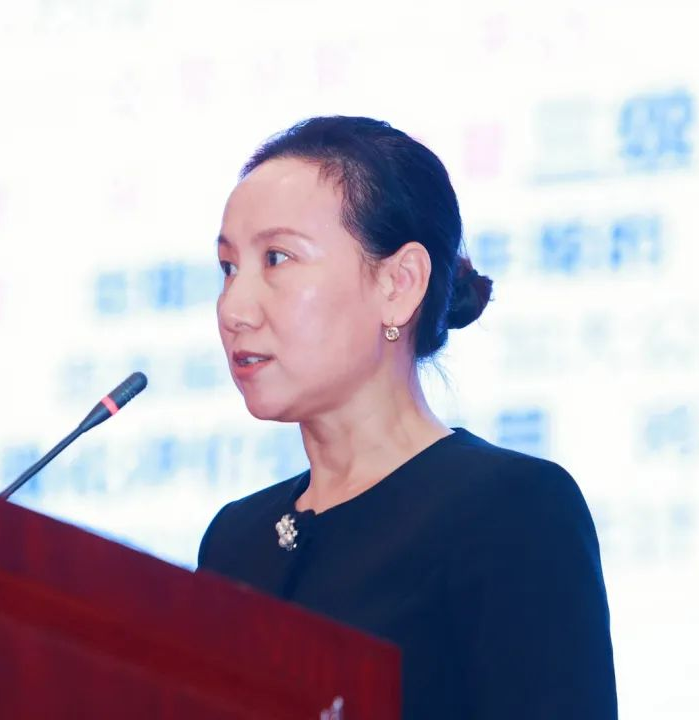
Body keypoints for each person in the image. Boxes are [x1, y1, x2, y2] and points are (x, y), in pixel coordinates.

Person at [198, 116, 617, 719]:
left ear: (399, 284)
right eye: (229, 267)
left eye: (278, 259)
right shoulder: (235, 540)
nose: (234, 308)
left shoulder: (510, 510)